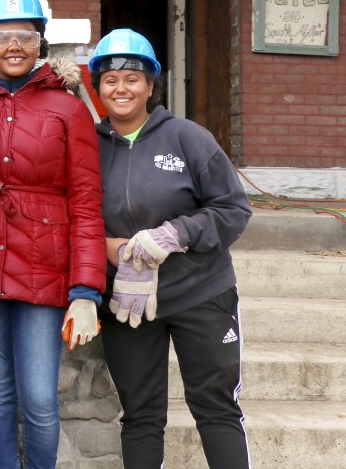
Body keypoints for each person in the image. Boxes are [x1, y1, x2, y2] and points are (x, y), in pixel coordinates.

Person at [0, 0, 105, 469]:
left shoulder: (69, 110)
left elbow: (86, 201)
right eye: (1, 35)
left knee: (37, 398)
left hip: (43, 263)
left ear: (41, 44)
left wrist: (86, 289)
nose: (14, 46)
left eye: (26, 36)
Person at [91, 28, 252, 469]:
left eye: (132, 77)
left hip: (201, 292)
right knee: (140, 416)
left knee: (216, 409)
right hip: (129, 300)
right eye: (110, 79)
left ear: (150, 85)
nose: (121, 87)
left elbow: (233, 209)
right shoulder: (88, 147)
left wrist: (174, 234)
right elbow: (76, 217)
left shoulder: (187, 138)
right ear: (97, 87)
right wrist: (107, 249)